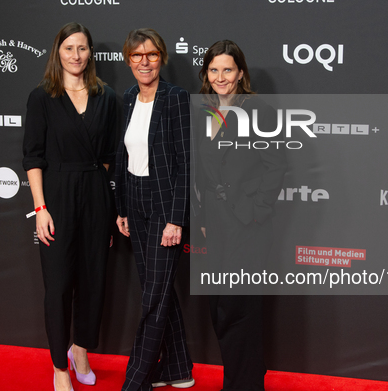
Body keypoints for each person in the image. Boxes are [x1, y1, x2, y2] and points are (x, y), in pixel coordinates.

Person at [22, 22, 117, 391]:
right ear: (57, 52)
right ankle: (60, 366)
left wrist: (100, 199)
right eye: (69, 48)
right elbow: (32, 157)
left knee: (93, 280)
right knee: (59, 285)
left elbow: (110, 156)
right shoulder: (41, 97)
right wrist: (41, 207)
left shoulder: (106, 96)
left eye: (82, 48)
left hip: (95, 194)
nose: (75, 55)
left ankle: (81, 350)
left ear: (90, 53)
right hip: (57, 195)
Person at [195, 40, 286, 391]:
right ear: (207, 73)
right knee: (220, 307)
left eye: (227, 70)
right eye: (214, 70)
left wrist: (257, 213)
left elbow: (276, 167)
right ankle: (241, 377)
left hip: (247, 226)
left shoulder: (260, 110)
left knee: (239, 308)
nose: (220, 77)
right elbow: (203, 173)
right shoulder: (204, 111)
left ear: (241, 73)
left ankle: (244, 385)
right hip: (216, 226)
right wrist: (201, 213)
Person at [114, 28, 194, 391]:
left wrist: (177, 217)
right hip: (135, 199)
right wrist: (122, 209)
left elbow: (186, 163)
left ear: (161, 57)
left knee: (153, 296)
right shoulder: (128, 97)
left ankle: (136, 380)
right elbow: (123, 156)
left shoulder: (176, 98)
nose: (144, 62)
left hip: (165, 205)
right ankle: (177, 368)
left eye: (151, 55)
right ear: (128, 61)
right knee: (156, 290)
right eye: (136, 56)